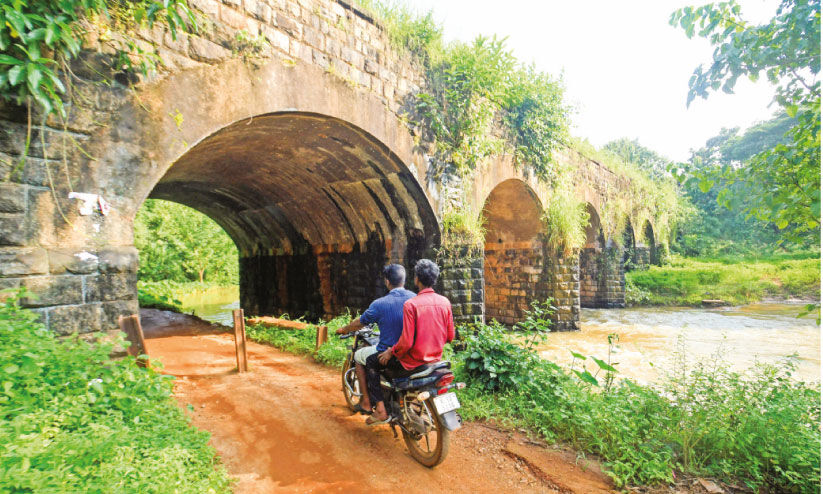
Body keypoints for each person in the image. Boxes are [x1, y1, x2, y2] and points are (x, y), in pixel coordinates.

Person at [364, 258, 455, 426]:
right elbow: (450, 336)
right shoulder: (445, 302)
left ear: (416, 279)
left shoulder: (411, 304)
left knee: (371, 362)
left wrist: (391, 351)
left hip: (411, 363)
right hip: (435, 360)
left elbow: (406, 342)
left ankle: (381, 410)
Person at [335, 264, 415, 414]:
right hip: (413, 350)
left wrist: (344, 329)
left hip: (391, 353)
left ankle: (366, 402)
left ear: (387, 281)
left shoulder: (380, 304)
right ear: (404, 280)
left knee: (359, 356)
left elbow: (360, 322)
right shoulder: (415, 298)